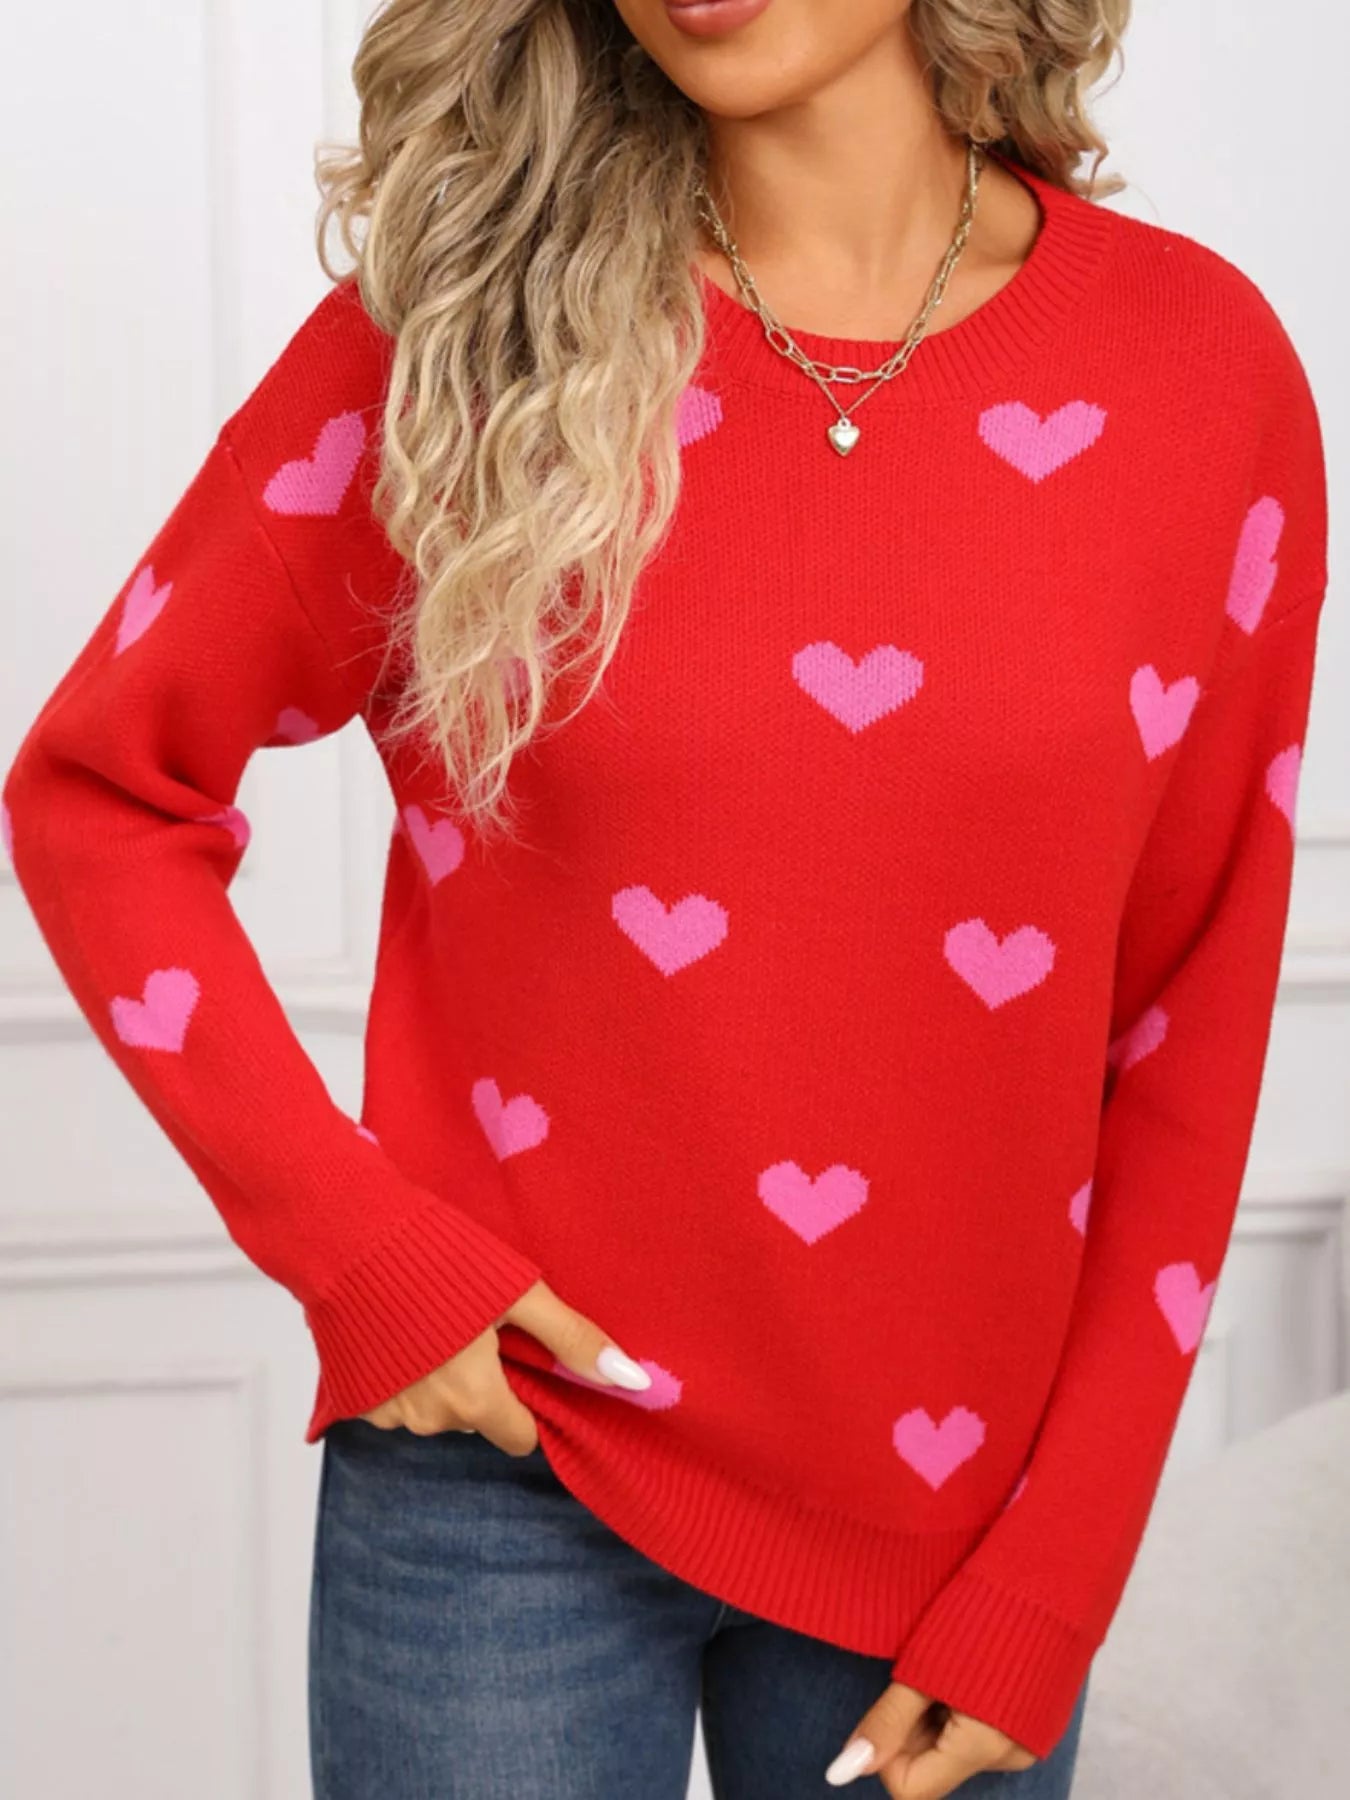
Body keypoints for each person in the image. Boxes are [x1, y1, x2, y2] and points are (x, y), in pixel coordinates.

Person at [3, 1, 1329, 1796]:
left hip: (952, 1519)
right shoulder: (464, 335)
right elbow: (99, 793)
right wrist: (364, 1255)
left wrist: (1060, 1572)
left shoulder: (1194, 372)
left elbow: (1187, 1009)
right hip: (503, 1472)